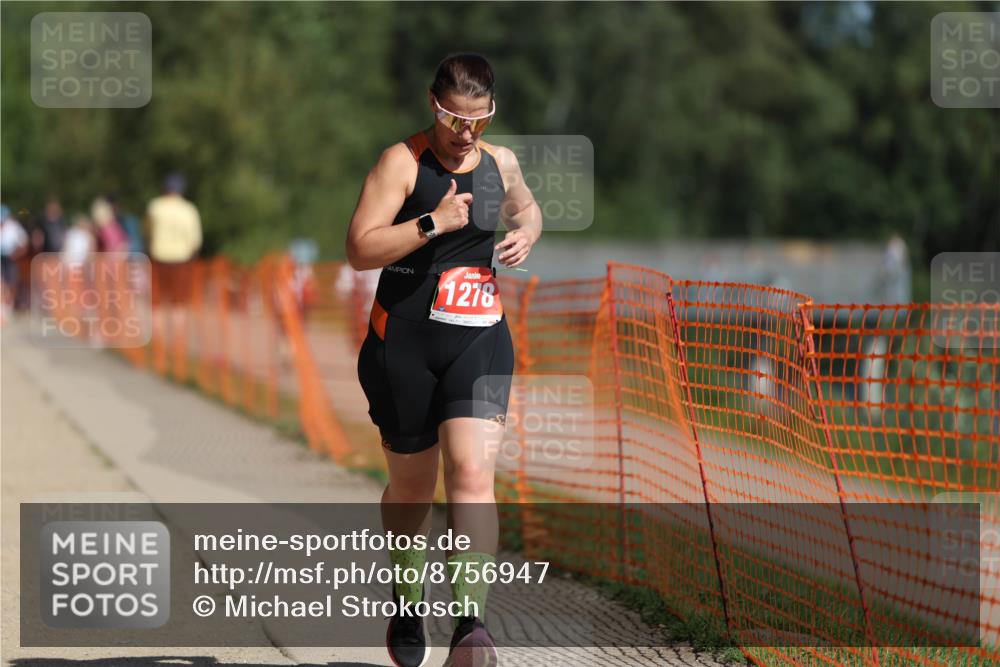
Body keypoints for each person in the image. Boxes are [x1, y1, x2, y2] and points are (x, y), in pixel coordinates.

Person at [346, 53, 541, 667]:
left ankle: (470, 624)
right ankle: (407, 601)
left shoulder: (501, 162)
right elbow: (359, 248)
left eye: (479, 121)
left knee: (473, 475)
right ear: (434, 106)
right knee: (412, 488)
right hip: (402, 347)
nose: (467, 134)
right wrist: (432, 222)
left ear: (491, 113)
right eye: (456, 120)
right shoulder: (401, 163)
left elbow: (527, 207)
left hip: (478, 340)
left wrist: (528, 231)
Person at [146, 172, 202, 372]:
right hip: (182, 261)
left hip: (159, 259)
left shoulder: (155, 207)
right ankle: (178, 350)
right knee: (179, 306)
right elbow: (195, 241)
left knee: (157, 306)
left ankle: (159, 350)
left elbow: (150, 233)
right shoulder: (189, 210)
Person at [0, 205, 29, 323]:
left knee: (11, 283)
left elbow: (23, 244)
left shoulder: (14, 227)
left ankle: (7, 307)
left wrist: (15, 254)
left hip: (10, 259)